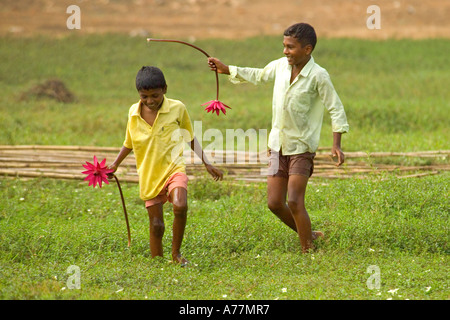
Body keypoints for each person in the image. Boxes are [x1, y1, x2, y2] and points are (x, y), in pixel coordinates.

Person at [208, 23, 349, 253]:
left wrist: (336, 144)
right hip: (276, 145)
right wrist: (227, 69)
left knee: (294, 201)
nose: (285, 51)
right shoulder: (280, 67)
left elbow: (336, 108)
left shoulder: (318, 76)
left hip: (301, 147)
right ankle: (309, 234)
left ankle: (308, 249)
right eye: (284, 46)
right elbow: (259, 75)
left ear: (307, 49)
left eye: (290, 47)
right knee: (274, 203)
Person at [108, 66, 223, 265]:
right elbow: (129, 142)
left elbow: (190, 137)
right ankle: (157, 263)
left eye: (155, 95)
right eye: (144, 96)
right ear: (139, 94)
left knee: (180, 205)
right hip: (149, 174)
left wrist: (207, 163)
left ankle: (176, 254)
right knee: (156, 225)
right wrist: (115, 164)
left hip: (174, 168)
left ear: (165, 90)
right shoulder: (133, 113)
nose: (150, 101)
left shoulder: (177, 108)